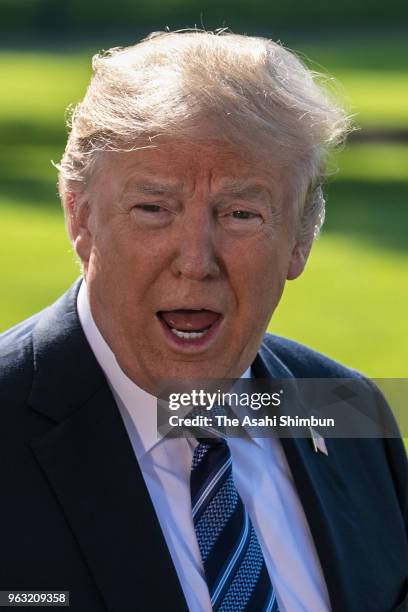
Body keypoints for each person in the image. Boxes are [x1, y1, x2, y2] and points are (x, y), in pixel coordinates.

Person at [0, 30, 406, 612]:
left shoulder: (349, 411)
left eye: (241, 213)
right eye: (153, 208)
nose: (196, 261)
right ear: (80, 216)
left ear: (301, 237)